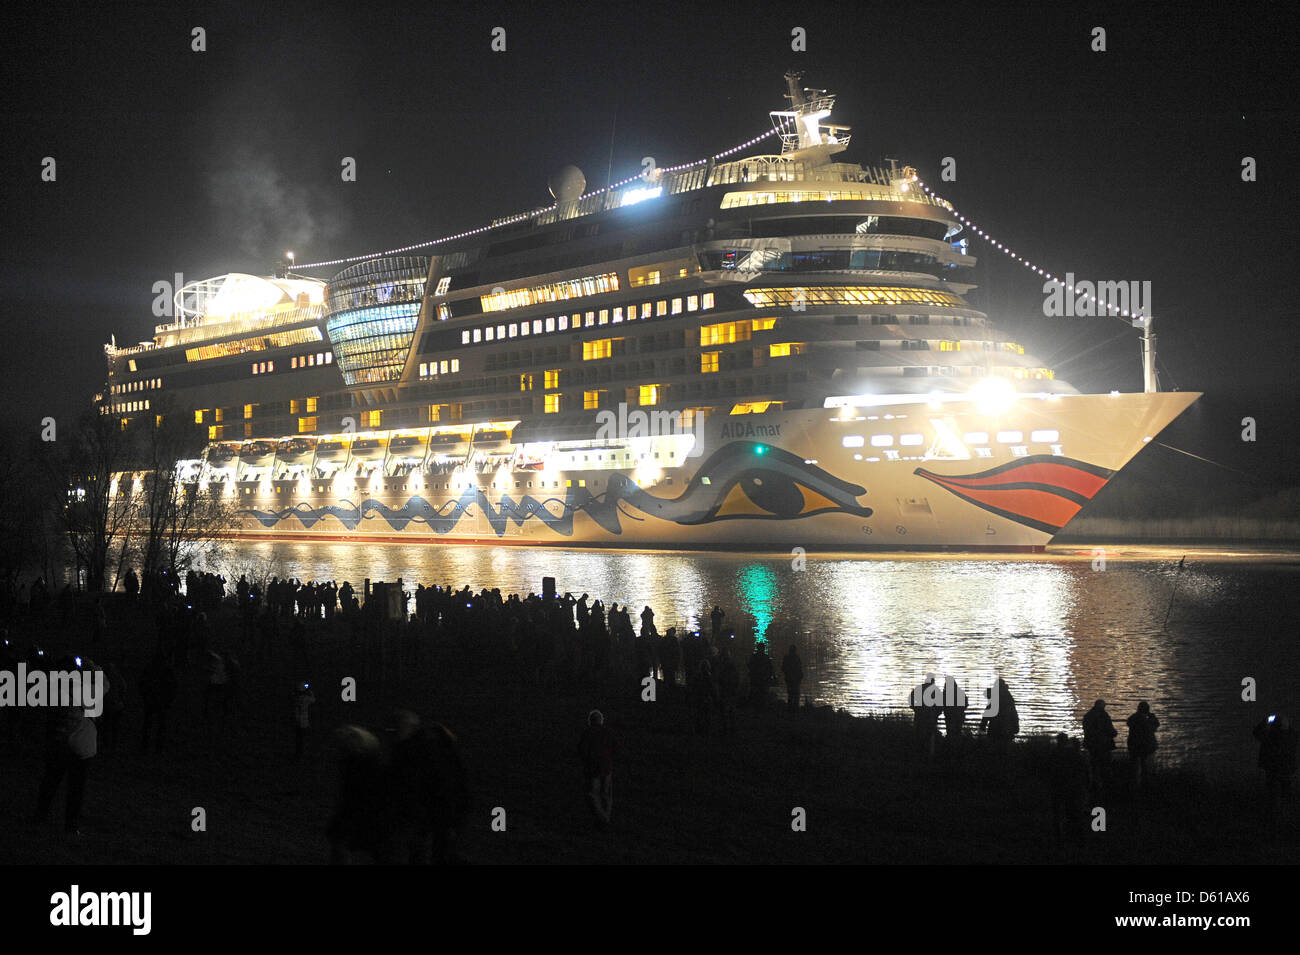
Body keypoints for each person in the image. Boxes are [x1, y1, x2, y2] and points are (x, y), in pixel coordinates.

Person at [33, 659, 97, 834]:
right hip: (81, 747)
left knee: (50, 782)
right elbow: (104, 684)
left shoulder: (51, 692)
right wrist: (92, 667)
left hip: (58, 744)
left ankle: (40, 815)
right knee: (76, 789)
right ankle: (70, 825)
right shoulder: (85, 692)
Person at [577, 710, 618, 828]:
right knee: (606, 794)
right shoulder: (609, 732)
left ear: (590, 721)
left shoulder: (587, 733)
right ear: (601, 720)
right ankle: (606, 817)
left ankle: (602, 818)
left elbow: (582, 750)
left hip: (592, 768)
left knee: (592, 794)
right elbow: (616, 748)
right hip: (606, 767)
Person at [1254, 714, 1298, 815]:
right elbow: (1292, 731)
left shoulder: (1269, 737)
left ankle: (1274, 812)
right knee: (1285, 788)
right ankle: (1287, 811)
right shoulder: (1292, 736)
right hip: (1286, 766)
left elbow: (1256, 732)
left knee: (1272, 790)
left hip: (1271, 766)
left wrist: (1265, 721)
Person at [1082, 699, 1117, 787]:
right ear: (1101, 706)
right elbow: (1109, 729)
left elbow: (1086, 730)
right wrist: (1113, 733)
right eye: (1104, 706)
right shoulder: (1104, 715)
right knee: (1104, 765)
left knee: (1094, 764)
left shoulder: (1088, 715)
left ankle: (1094, 782)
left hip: (1091, 744)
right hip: (1103, 744)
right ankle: (1105, 784)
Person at [1125, 701, 1159, 787]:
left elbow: (1128, 722)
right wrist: (1152, 717)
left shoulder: (1134, 718)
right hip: (1144, 746)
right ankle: (1144, 783)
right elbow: (1156, 726)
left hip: (1134, 745)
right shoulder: (1147, 720)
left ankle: (1134, 783)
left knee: (1134, 766)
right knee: (1145, 765)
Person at [909, 675, 941, 758]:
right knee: (930, 736)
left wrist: (915, 708)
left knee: (918, 733)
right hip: (930, 717)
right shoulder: (935, 690)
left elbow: (910, 699)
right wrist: (937, 713)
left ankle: (917, 753)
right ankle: (929, 754)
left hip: (919, 715)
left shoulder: (918, 689)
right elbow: (940, 704)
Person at [292, 682, 316, 759]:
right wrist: (310, 692)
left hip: (296, 721)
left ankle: (298, 753)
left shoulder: (295, 698)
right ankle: (302, 754)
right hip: (304, 721)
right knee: (303, 738)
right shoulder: (306, 698)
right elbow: (313, 700)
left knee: (298, 739)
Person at [782, 644, 803, 713]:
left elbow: (783, 668)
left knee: (791, 694)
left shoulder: (787, 658)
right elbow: (799, 668)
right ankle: (795, 709)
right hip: (794, 679)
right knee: (795, 694)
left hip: (790, 679)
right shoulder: (796, 658)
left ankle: (791, 708)